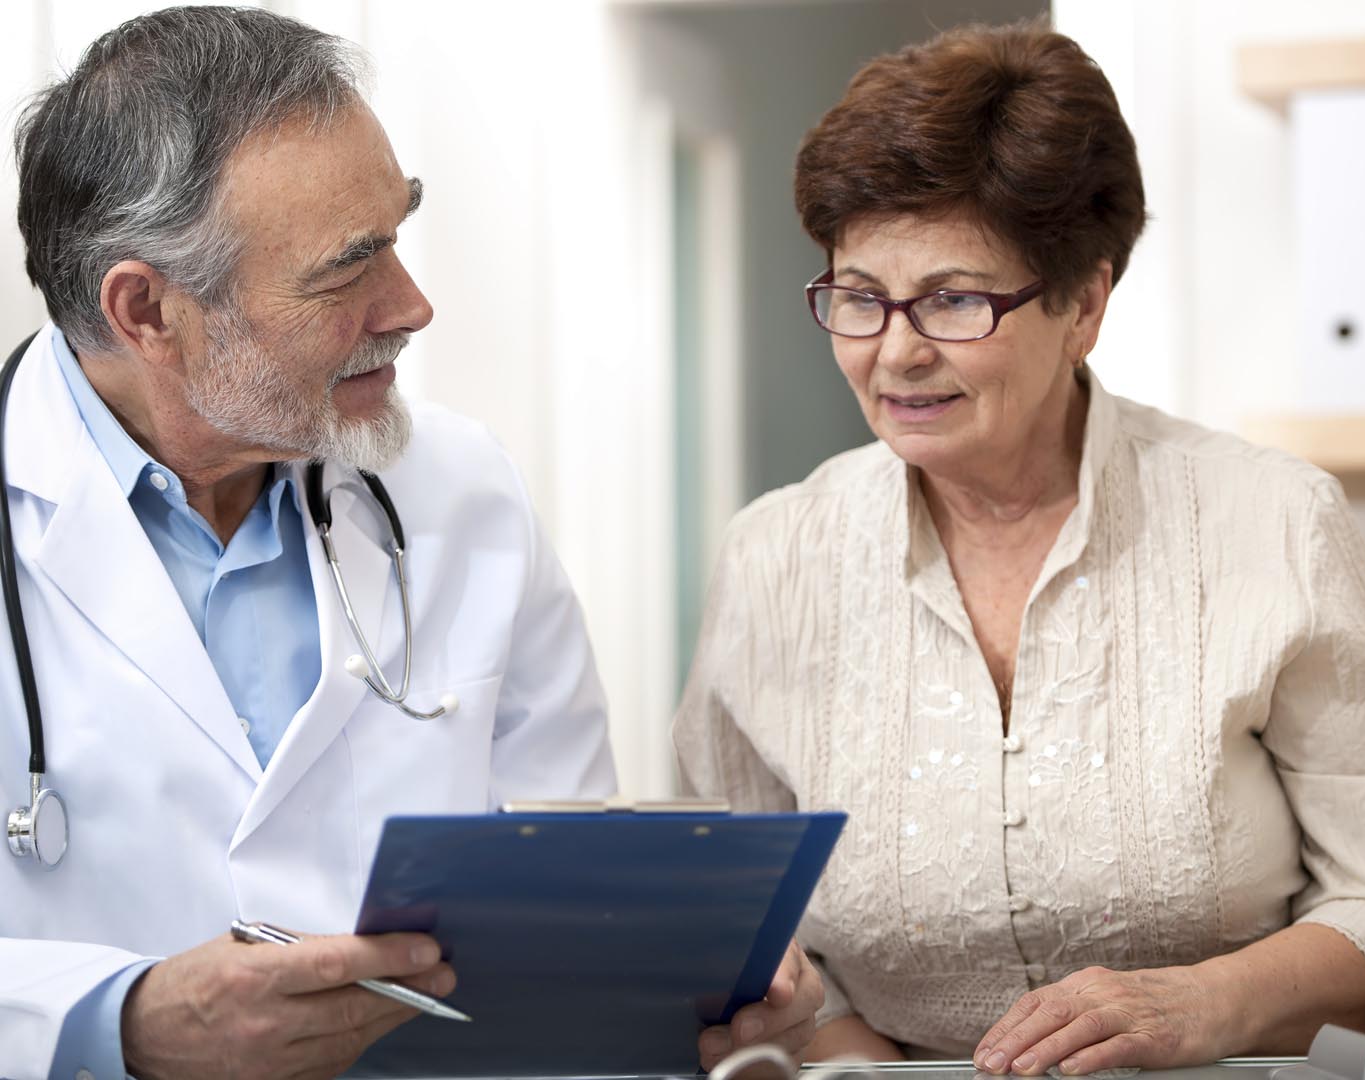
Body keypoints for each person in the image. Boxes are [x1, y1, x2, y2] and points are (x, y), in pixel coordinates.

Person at [0, 8, 819, 1079]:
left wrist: (683, 974)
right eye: (347, 271)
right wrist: (124, 1019)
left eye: (398, 234)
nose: (414, 304)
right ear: (148, 309)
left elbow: (563, 884)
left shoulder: (462, 492)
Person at [673, 19, 1365, 1075]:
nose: (895, 352)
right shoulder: (776, 558)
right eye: (859, 297)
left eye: (951, 298)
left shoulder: (1271, 521)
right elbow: (741, 921)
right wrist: (849, 1053)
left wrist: (1207, 1005)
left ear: (1084, 301)